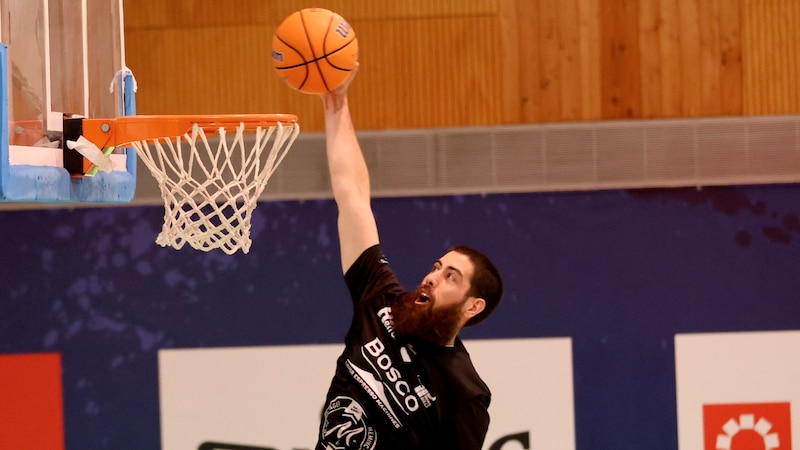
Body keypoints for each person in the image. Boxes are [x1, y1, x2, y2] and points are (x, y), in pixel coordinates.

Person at [316, 66, 504, 450]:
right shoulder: (380, 301)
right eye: (437, 267)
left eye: (452, 276)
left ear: (473, 305)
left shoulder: (465, 393)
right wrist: (336, 102)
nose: (433, 277)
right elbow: (352, 196)